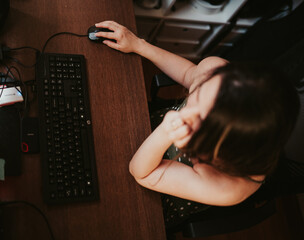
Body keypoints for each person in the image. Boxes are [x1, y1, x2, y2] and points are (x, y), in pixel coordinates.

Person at [94, 21, 300, 228]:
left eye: (199, 121)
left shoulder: (229, 188)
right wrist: (139, 45)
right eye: (200, 94)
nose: (187, 111)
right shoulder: (215, 72)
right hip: (140, 127)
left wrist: (166, 132)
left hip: (153, 192)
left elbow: (141, 172)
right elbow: (188, 74)